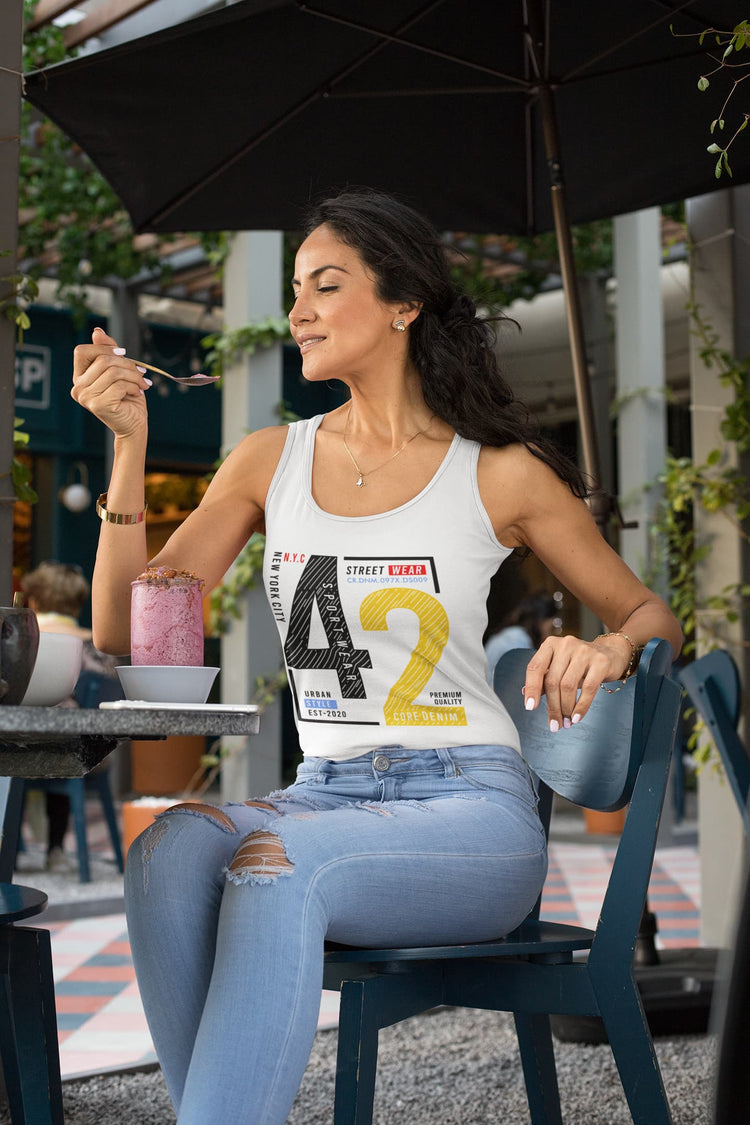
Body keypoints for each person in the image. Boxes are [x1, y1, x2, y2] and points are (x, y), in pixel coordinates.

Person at [71, 188, 682, 1124]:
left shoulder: (499, 470)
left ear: (403, 305)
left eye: (326, 285)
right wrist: (127, 448)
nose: (298, 310)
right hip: (323, 796)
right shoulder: (267, 459)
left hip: (470, 808)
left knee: (273, 866)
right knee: (166, 853)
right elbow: (123, 626)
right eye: (293, 289)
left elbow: (652, 615)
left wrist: (610, 644)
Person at [20, 561, 121, 871]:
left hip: (23, 751)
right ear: (78, 602)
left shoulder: (23, 640)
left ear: (34, 601)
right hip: (90, 754)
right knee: (62, 745)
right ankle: (55, 850)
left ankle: (10, 846)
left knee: (27, 749)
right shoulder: (99, 646)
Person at [484, 591, 561, 684]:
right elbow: (519, 684)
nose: (550, 633)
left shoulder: (511, 634)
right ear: (542, 620)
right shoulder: (517, 640)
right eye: (552, 625)